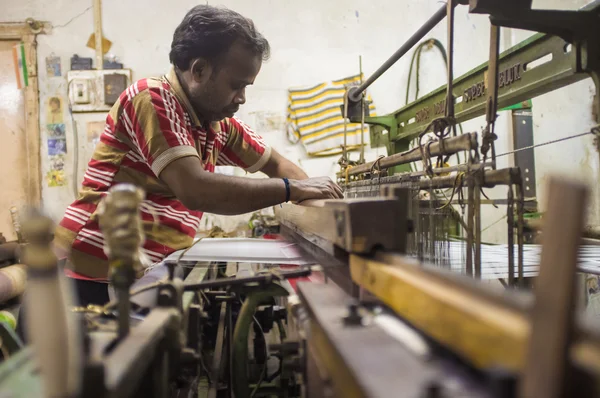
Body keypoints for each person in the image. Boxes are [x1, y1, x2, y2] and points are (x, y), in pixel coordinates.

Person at [52, 5, 343, 307]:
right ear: (199, 70)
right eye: (236, 85)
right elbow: (196, 189)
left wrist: (324, 212)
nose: (242, 98)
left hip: (146, 271)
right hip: (92, 277)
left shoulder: (214, 123)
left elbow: (277, 164)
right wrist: (291, 190)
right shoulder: (151, 99)